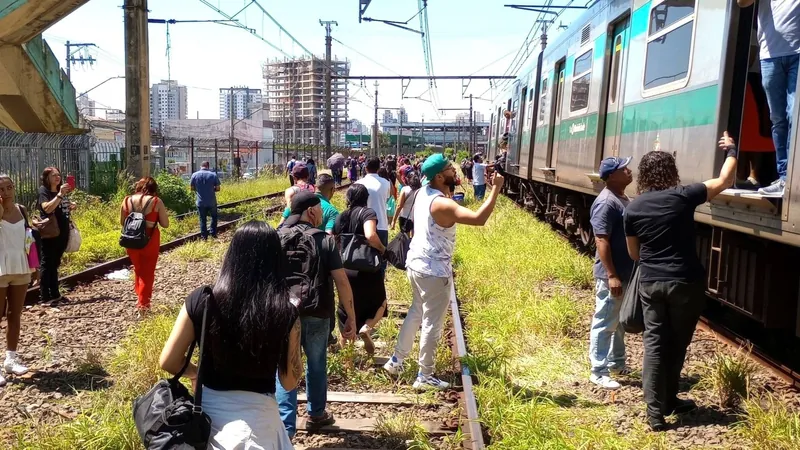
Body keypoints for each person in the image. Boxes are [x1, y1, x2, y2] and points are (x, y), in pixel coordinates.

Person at [624, 133, 737, 431]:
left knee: (655, 345)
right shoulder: (684, 196)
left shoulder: (632, 208)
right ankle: (670, 399)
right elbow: (724, 180)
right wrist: (732, 149)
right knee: (678, 344)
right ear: (671, 172)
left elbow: (634, 253)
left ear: (643, 176)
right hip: (685, 282)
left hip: (650, 282)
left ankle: (656, 414)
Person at [159, 221, 300, 449]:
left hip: (208, 413)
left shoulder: (202, 299)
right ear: (277, 259)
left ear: (231, 255)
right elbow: (289, 381)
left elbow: (168, 361)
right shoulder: (286, 309)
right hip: (261, 417)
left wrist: (197, 373)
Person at [384, 154, 505, 390]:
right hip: (434, 270)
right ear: (439, 176)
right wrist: (495, 189)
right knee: (432, 322)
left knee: (416, 312)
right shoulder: (443, 203)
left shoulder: (422, 193)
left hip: (416, 264)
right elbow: (479, 219)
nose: (454, 171)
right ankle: (425, 375)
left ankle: (396, 361)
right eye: (450, 169)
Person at [276, 191, 357, 438]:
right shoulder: (324, 240)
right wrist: (350, 317)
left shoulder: (275, 236)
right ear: (311, 211)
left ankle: (284, 428)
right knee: (316, 363)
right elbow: (341, 282)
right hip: (316, 311)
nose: (322, 213)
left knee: (284, 367)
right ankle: (316, 413)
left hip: (282, 313)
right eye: (320, 209)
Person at [737, 0, 799, 196]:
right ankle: (783, 178)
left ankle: (792, 176)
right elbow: (742, 3)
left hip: (797, 52)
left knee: (793, 115)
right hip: (770, 55)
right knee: (778, 119)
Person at [588, 156, 635, 390]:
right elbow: (601, 239)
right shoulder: (607, 203)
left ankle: (616, 363)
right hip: (613, 274)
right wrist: (611, 274)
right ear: (611, 176)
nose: (628, 171)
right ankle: (598, 370)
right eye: (623, 169)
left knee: (618, 322)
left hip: (625, 271)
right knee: (605, 320)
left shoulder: (622, 198)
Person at [333, 184, 388, 355]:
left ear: (348, 198)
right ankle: (367, 327)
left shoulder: (340, 217)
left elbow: (334, 239)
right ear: (366, 198)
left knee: (347, 314)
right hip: (367, 268)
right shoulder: (367, 213)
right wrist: (382, 249)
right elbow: (370, 235)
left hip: (346, 270)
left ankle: (348, 363)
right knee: (380, 303)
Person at [0, 174, 36, 386]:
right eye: (1, 189)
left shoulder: (22, 209)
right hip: (1, 267)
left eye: (9, 187)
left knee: (15, 315)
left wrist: (34, 265)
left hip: (21, 265)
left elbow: (28, 237)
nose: (6, 192)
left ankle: (11, 359)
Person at [120, 177, 170, 313]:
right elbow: (165, 224)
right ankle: (143, 305)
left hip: (130, 240)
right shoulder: (156, 202)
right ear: (154, 188)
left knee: (138, 269)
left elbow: (122, 222)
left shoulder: (126, 200)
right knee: (148, 273)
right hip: (149, 241)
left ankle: (140, 297)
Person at [37, 167, 76, 304]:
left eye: (58, 175)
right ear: (47, 177)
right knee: (47, 263)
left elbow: (61, 207)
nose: (57, 177)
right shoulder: (44, 191)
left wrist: (70, 204)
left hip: (62, 231)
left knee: (55, 263)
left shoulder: (61, 191)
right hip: (50, 232)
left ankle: (55, 294)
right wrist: (59, 195)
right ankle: (45, 296)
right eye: (53, 175)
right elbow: (46, 208)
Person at [355, 157, 391, 250]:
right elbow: (386, 198)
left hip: (361, 226)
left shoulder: (358, 183)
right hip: (381, 224)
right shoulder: (386, 183)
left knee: (363, 258)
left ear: (365, 168)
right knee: (381, 258)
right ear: (379, 168)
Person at [190, 161, 221, 240]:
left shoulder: (194, 175)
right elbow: (218, 188)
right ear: (208, 166)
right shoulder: (213, 175)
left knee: (202, 219)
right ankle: (213, 234)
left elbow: (192, 188)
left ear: (201, 166)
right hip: (211, 201)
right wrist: (211, 189)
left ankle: (204, 237)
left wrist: (199, 190)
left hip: (200, 202)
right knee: (214, 217)